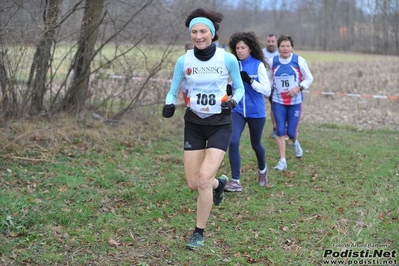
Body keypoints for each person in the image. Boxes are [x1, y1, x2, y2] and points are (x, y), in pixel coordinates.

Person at [162, 8, 245, 250]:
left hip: (220, 124)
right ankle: (220, 185)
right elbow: (172, 89)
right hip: (195, 124)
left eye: (203, 31)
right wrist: (169, 104)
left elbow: (239, 88)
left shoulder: (227, 59)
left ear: (213, 33)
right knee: (193, 183)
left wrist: (234, 101)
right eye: (194, 32)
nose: (198, 36)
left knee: (203, 179)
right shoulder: (183, 61)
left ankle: (198, 232)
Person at [224, 32, 271, 192]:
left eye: (243, 47)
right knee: (233, 142)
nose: (240, 51)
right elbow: (232, 86)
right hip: (237, 110)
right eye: (237, 48)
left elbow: (267, 90)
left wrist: (251, 81)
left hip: (255, 112)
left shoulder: (258, 65)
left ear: (250, 49)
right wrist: (229, 89)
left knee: (256, 145)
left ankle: (263, 170)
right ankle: (235, 181)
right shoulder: (234, 64)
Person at [268, 35, 314, 171]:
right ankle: (282, 160)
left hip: (295, 101)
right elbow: (269, 79)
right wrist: (267, 89)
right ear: (278, 47)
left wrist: (298, 88)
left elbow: (309, 78)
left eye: (288, 46)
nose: (285, 48)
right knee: (280, 130)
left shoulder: (298, 60)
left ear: (292, 47)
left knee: (292, 132)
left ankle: (295, 142)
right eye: (282, 46)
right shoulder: (273, 61)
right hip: (278, 101)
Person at [262, 34, 280, 139]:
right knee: (270, 107)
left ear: (276, 42)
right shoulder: (261, 53)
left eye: (273, 41)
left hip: (278, 85)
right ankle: (274, 128)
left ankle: (278, 128)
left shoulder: (281, 52)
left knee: (277, 108)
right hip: (265, 84)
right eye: (269, 41)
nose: (271, 43)